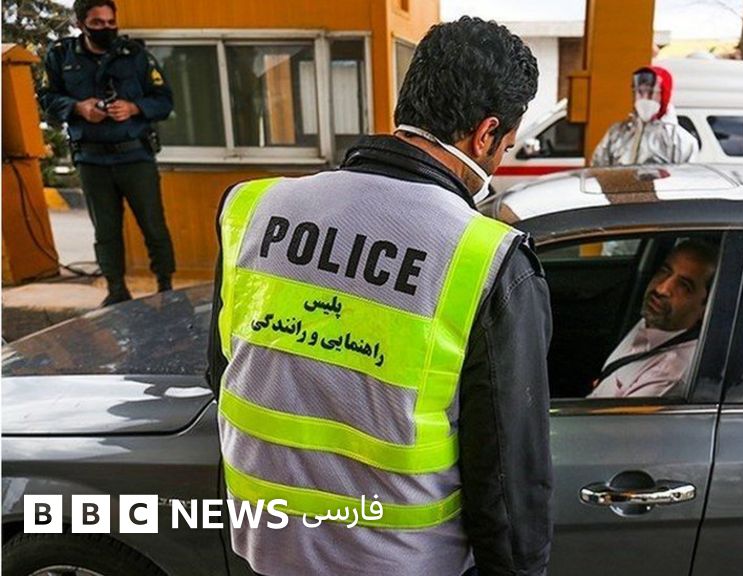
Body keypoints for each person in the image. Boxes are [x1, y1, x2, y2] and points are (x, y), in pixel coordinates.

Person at [207, 17, 552, 576]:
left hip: (268, 553)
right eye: (505, 147)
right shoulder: (487, 260)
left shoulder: (251, 209)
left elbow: (224, 372)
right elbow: (505, 479)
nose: (498, 161)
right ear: (486, 134)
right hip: (405, 562)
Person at [37, 0, 175, 306]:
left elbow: (164, 100)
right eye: (98, 23)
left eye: (111, 22)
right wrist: (78, 108)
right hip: (92, 160)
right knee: (106, 230)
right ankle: (116, 290)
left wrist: (133, 108)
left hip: (135, 157)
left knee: (153, 226)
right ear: (80, 23)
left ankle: (166, 286)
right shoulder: (60, 56)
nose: (107, 28)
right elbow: (46, 98)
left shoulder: (135, 55)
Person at [589, 240, 717, 399]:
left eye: (684, 286)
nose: (662, 289)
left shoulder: (668, 373)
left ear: (705, 308)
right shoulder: (657, 320)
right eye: (665, 271)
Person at [591, 66, 699, 166]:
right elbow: (597, 169)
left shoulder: (681, 141)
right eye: (639, 92)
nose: (644, 98)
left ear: (664, 95)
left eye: (651, 92)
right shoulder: (617, 133)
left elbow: (684, 178)